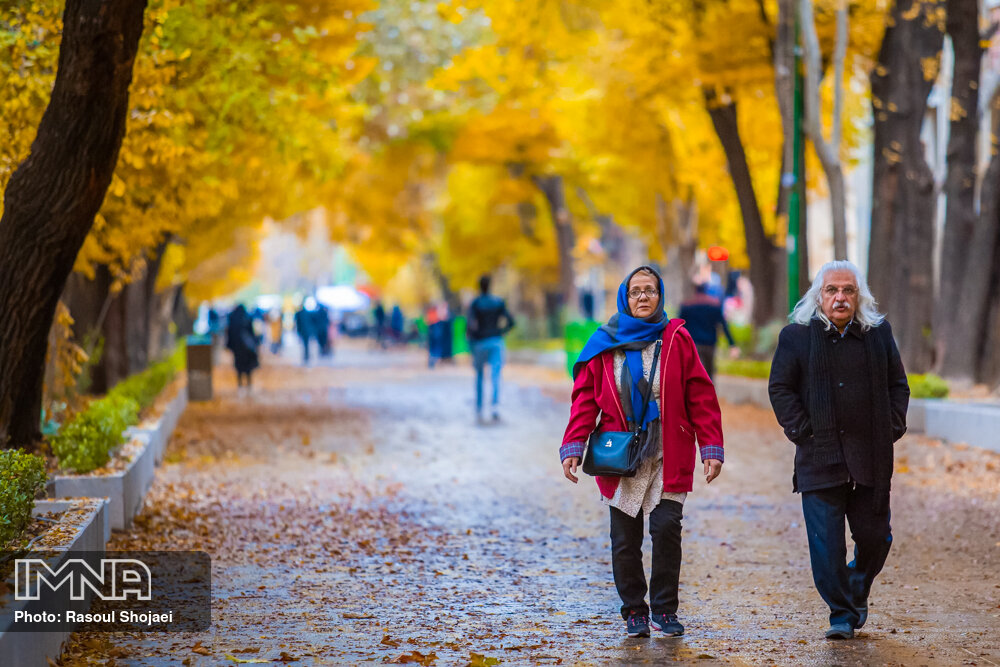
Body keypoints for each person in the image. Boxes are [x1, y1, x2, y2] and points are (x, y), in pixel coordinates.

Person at [560, 265, 724, 639]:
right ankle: (634, 609)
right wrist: (574, 444)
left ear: (660, 295)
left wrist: (710, 446)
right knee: (625, 538)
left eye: (650, 290)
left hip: (669, 449)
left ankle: (665, 611)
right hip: (621, 454)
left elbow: (700, 394)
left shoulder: (677, 337)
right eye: (636, 292)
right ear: (625, 297)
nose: (643, 297)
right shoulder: (606, 341)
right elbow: (585, 400)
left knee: (667, 528)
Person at [768, 260, 909, 640]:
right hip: (818, 457)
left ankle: (857, 586)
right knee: (826, 547)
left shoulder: (878, 335)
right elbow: (780, 388)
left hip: (870, 456)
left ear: (858, 296)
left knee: (876, 538)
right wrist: (801, 431)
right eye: (832, 290)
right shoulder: (795, 337)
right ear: (819, 296)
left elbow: (899, 385)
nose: (840, 297)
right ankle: (842, 615)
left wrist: (892, 426)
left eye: (848, 290)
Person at [466, 274, 515, 423]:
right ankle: (495, 407)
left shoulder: (475, 303)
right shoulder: (498, 302)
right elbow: (511, 322)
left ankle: (479, 408)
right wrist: (501, 332)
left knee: (479, 376)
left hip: (480, 342)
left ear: (479, 286)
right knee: (495, 375)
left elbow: (469, 325)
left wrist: (473, 340)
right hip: (496, 341)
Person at [678, 283, 738, 380]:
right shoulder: (714, 306)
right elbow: (724, 325)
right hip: (710, 344)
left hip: (693, 343)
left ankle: (694, 392)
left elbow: (679, 325)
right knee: (709, 372)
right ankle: (709, 392)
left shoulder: (687, 306)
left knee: (693, 371)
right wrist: (732, 344)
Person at [226, 304, 259, 392]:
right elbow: (252, 333)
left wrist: (229, 345)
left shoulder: (232, 317)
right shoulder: (247, 317)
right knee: (248, 365)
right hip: (246, 347)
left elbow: (229, 333)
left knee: (239, 364)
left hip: (237, 346)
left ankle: (240, 382)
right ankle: (248, 381)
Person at [294, 298, 316, 365]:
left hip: (303, 330)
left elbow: (297, 323)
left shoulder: (298, 313)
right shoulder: (307, 313)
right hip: (306, 330)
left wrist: (298, 331)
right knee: (306, 344)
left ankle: (306, 355)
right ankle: (307, 355)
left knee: (305, 344)